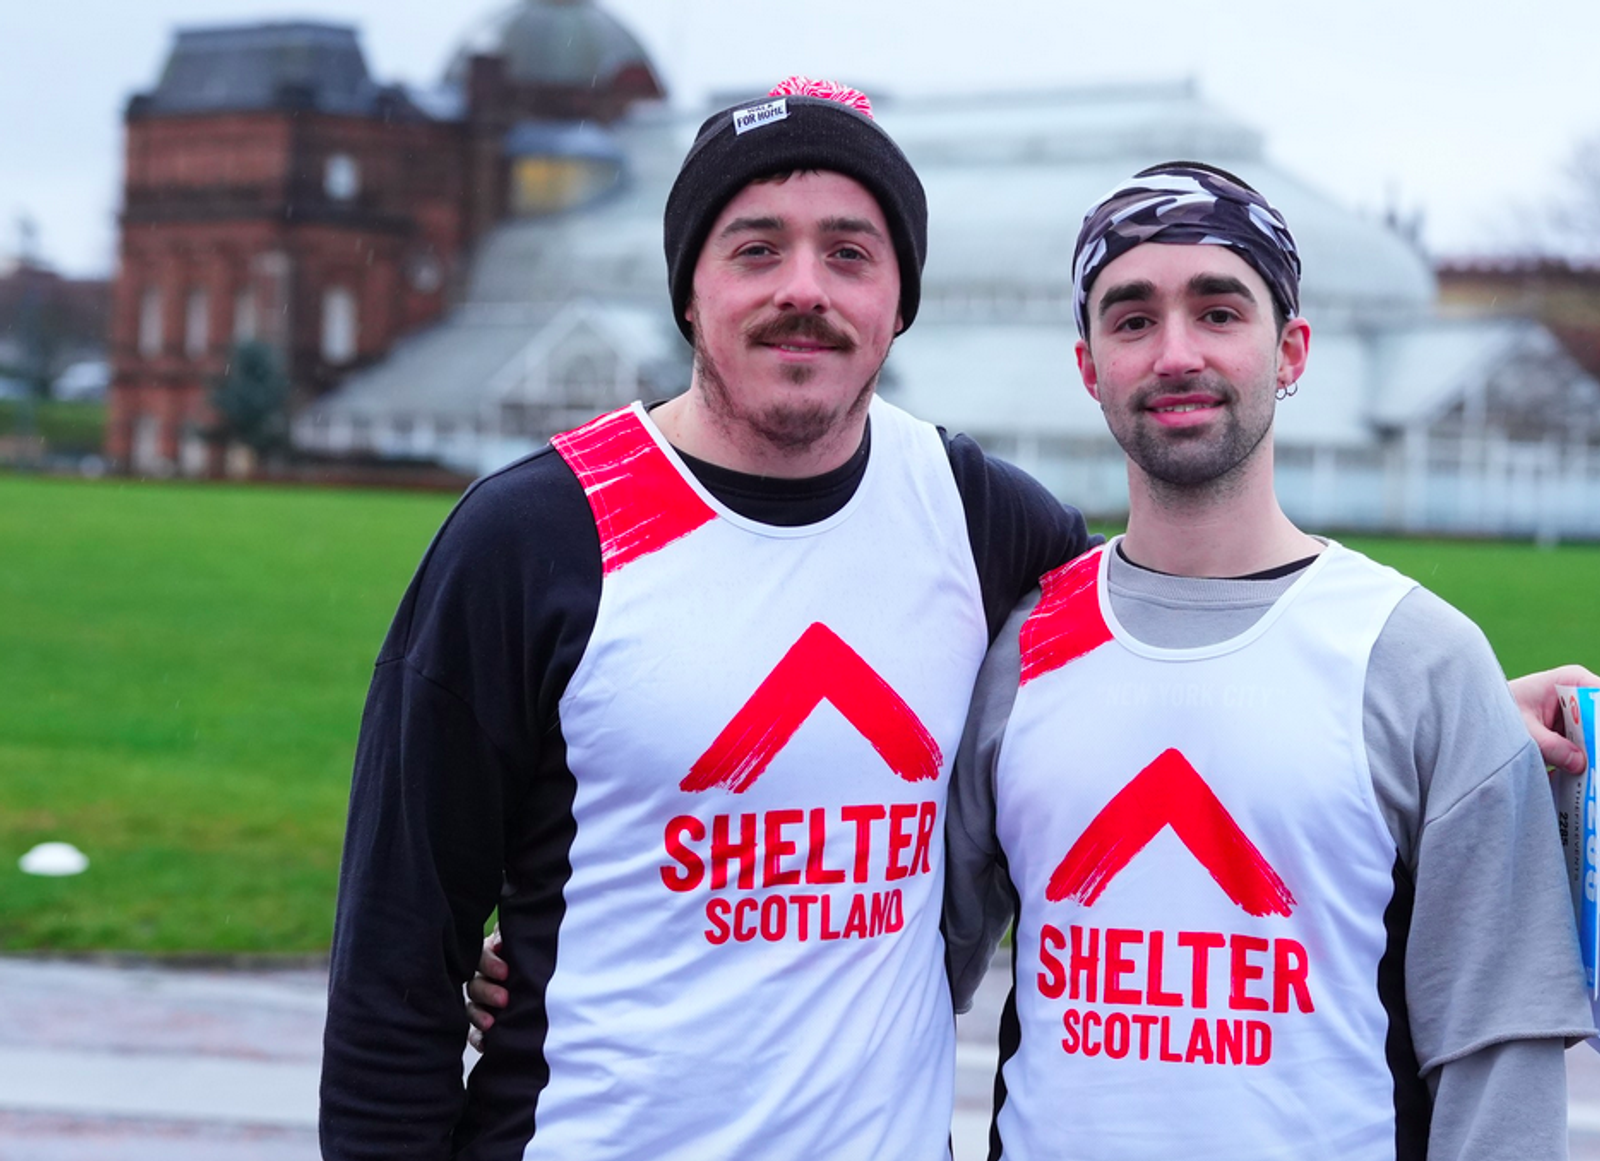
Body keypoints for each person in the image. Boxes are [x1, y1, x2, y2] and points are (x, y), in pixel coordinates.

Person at [319, 78, 1095, 1160]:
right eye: (755, 248)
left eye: (849, 253)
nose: (802, 290)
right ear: (688, 289)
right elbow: (396, 952)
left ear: (899, 299)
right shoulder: (535, 535)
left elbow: (1149, 717)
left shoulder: (981, 522)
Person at [941, 162, 1598, 1159]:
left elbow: (1497, 1053)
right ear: (1087, 367)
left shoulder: (1417, 658)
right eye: (1130, 320)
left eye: (1217, 311)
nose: (1174, 354)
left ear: (1289, 351)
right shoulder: (1023, 648)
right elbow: (902, 979)